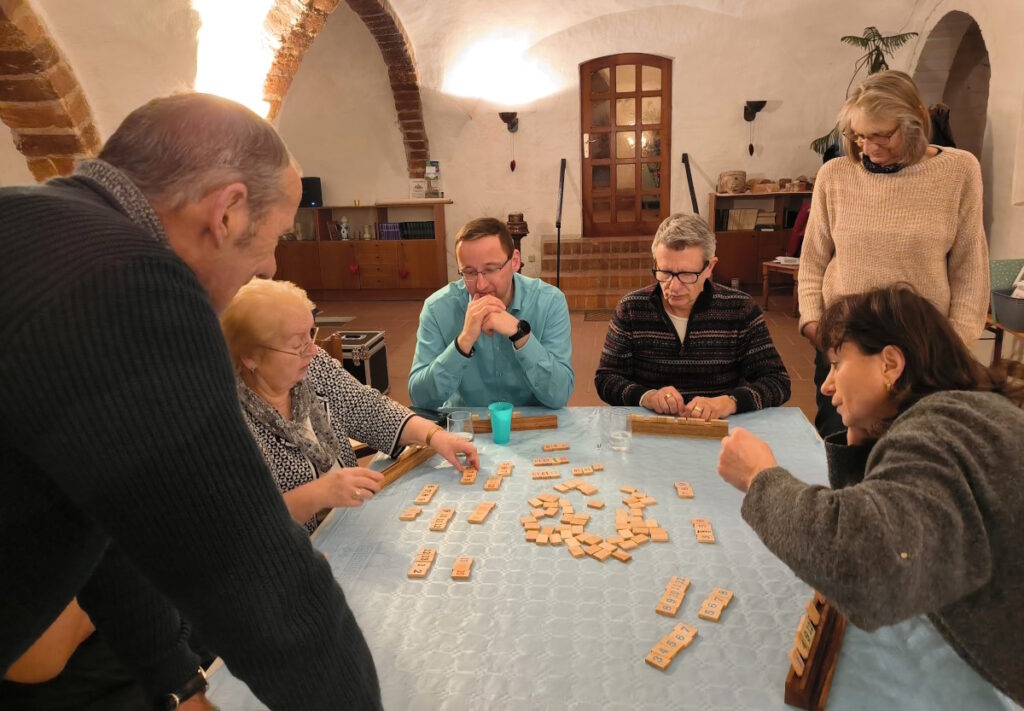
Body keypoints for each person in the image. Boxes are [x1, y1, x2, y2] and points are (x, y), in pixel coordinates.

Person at [0, 93, 382, 709]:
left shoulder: (25, 216)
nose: (270, 264)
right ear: (227, 212)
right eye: (275, 238)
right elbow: (251, 569)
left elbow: (113, 504)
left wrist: (174, 680)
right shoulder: (130, 283)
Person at [717, 286, 1024, 706]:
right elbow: (890, 520)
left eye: (837, 364)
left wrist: (759, 477)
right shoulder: (958, 415)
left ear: (890, 364)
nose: (826, 386)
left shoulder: (939, 430)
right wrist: (860, 444)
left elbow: (861, 565)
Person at [798, 70, 989, 438]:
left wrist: (952, 347)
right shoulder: (835, 175)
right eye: (859, 136)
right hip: (846, 348)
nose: (869, 148)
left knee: (915, 455)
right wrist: (814, 325)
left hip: (923, 353)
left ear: (916, 122)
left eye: (882, 135)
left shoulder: (959, 171)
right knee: (843, 451)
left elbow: (970, 269)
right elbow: (813, 261)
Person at [221, 278, 479, 533]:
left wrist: (434, 436)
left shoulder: (313, 368)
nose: (312, 350)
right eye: (297, 345)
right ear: (250, 356)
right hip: (293, 552)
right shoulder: (227, 421)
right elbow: (245, 525)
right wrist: (318, 495)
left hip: (350, 520)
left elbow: (370, 409)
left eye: (311, 334)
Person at [595, 213, 791, 419]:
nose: (674, 286)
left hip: (719, 432)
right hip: (650, 430)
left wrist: (728, 402)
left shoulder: (740, 309)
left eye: (688, 275)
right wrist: (647, 397)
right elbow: (606, 378)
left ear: (710, 267)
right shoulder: (631, 309)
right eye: (665, 273)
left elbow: (777, 381)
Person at [409, 217, 574, 409]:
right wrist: (463, 342)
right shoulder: (437, 308)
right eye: (469, 272)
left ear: (515, 261)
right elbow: (420, 399)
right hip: (465, 427)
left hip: (531, 425)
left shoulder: (550, 301)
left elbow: (559, 395)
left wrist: (520, 334)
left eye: (490, 269)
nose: (481, 285)